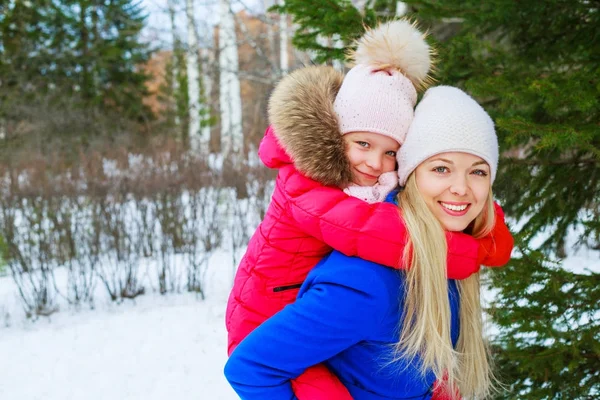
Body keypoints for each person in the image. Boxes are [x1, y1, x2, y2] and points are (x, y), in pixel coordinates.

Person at [225, 21, 513, 399]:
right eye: (440, 168)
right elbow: (367, 231)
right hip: (261, 312)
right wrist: (464, 251)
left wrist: (486, 236)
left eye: (478, 171)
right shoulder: (312, 195)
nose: (375, 162)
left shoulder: (376, 195)